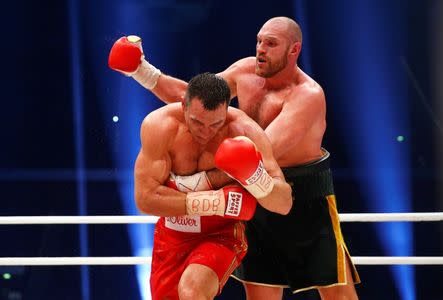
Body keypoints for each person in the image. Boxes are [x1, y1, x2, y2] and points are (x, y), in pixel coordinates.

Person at [109, 16, 360, 299]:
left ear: (294, 50)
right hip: (243, 191)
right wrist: (143, 71)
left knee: (337, 292)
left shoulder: (308, 96)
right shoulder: (244, 71)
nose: (261, 49)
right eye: (259, 41)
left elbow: (252, 157)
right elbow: (197, 99)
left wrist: (194, 182)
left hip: (296, 190)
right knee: (261, 290)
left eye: (271, 43)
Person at [132, 72, 292, 300]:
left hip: (220, 234)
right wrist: (216, 201)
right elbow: (145, 199)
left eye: (215, 123)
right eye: (197, 121)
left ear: (226, 110)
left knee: (192, 291)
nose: (205, 132)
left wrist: (257, 179)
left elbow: (284, 203)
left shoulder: (245, 132)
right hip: (172, 236)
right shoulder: (160, 127)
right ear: (183, 105)